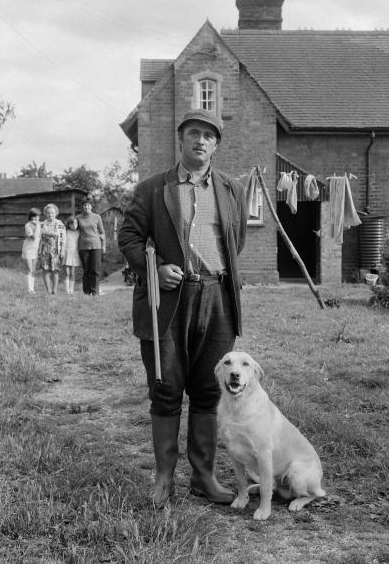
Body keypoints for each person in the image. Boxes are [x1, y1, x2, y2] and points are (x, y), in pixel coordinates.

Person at [118, 108, 247, 508]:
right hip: (169, 301)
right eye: (194, 133)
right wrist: (156, 267)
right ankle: (163, 478)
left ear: (216, 145)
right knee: (166, 387)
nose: (201, 141)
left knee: (210, 390)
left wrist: (210, 274)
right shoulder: (153, 189)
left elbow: (235, 239)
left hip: (217, 298)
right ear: (181, 139)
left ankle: (204, 477)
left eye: (209, 136)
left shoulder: (229, 189)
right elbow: (129, 237)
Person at [76, 198, 106, 296]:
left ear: (91, 207)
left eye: (88, 205)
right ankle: (87, 291)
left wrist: (104, 245)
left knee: (95, 270)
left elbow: (102, 232)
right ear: (82, 207)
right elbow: (73, 230)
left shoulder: (97, 217)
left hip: (96, 246)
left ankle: (95, 291)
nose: (87, 207)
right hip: (83, 247)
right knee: (86, 270)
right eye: (85, 205)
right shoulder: (78, 218)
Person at [38, 203, 66, 294]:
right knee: (45, 270)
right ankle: (48, 290)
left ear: (56, 213)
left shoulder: (60, 224)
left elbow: (63, 238)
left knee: (55, 270)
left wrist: (62, 251)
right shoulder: (42, 224)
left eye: (52, 213)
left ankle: (55, 290)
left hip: (55, 251)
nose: (50, 215)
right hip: (44, 250)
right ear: (45, 213)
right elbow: (38, 237)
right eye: (48, 213)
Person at [21, 207, 41, 294]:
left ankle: (32, 288)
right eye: (33, 216)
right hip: (28, 249)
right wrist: (37, 226)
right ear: (30, 217)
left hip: (36, 249)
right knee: (29, 269)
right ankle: (30, 289)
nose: (35, 218)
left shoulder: (39, 225)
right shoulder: (27, 225)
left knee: (34, 269)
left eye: (37, 216)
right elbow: (33, 237)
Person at [63, 217, 81, 294]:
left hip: (74, 254)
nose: (74, 225)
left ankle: (71, 289)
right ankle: (67, 290)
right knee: (67, 273)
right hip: (66, 253)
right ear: (69, 224)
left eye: (76, 223)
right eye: (72, 223)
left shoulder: (79, 232)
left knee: (72, 273)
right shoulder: (65, 231)